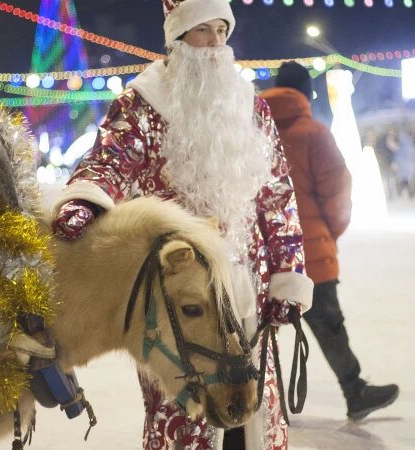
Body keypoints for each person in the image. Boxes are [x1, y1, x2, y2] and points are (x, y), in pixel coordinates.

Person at [51, 1, 313, 449]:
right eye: (203, 31)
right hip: (176, 296)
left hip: (246, 289)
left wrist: (287, 272)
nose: (215, 44)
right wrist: (84, 200)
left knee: (253, 411)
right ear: (177, 36)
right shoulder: (142, 103)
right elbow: (108, 163)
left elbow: (276, 195)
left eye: (221, 31)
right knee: (183, 416)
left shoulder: (250, 105)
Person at [260, 62, 399, 422]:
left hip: (262, 255)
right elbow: (337, 192)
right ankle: (355, 391)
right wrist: (326, 234)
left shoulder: (255, 135)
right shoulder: (314, 133)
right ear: (307, 93)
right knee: (329, 324)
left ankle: (262, 407)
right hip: (311, 253)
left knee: (260, 335)